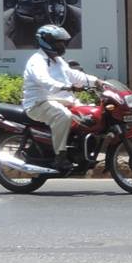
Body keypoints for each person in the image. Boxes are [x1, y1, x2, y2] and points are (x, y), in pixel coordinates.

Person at [23, 25, 99, 172]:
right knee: (63, 115)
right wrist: (68, 87)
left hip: (58, 99)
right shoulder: (37, 61)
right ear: (46, 42)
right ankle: (60, 157)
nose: (62, 45)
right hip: (38, 102)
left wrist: (97, 82)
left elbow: (74, 75)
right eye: (58, 42)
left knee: (89, 113)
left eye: (63, 42)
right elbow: (44, 80)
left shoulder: (58, 60)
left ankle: (78, 150)